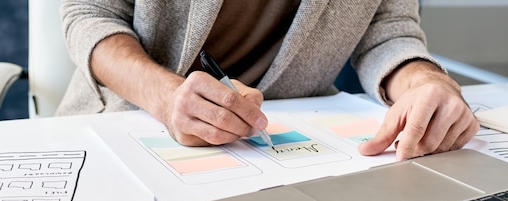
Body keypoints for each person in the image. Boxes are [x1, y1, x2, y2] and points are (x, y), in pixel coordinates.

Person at [57, 0, 479, 161]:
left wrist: (427, 83)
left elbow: (389, 32)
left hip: (286, 148)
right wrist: (167, 98)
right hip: (125, 123)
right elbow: (89, 15)